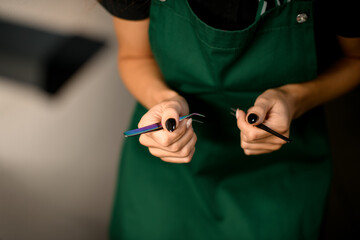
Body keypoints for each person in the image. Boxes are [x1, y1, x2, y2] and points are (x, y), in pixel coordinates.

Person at [99, 0, 360, 239]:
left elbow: (355, 59)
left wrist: (294, 99)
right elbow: (135, 56)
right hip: (167, 170)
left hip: (282, 171)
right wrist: (163, 100)